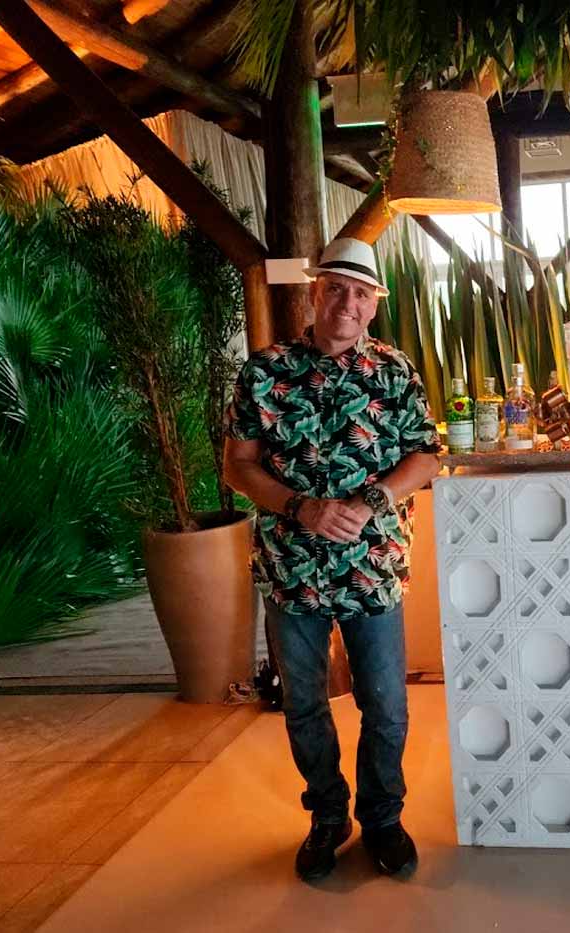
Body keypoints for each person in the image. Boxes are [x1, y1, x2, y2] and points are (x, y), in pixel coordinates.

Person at [223, 237, 441, 881]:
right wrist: (301, 507)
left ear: (374, 304)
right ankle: (326, 818)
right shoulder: (264, 372)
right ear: (314, 292)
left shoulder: (395, 372)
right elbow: (238, 466)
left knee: (386, 705)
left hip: (372, 566)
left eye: (361, 292)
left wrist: (372, 500)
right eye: (337, 288)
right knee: (304, 705)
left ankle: (382, 819)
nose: (348, 302)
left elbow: (425, 455)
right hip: (291, 569)